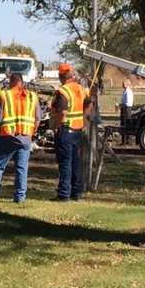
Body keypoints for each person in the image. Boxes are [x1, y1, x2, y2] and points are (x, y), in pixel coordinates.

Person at [0, 72, 40, 203]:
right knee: (22, 168)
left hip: (8, 137)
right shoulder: (32, 97)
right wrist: (31, 133)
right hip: (26, 138)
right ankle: (20, 197)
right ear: (21, 82)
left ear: (11, 82)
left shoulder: (5, 95)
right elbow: (38, 118)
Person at [50, 63, 89, 201]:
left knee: (65, 163)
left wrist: (55, 126)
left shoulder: (63, 91)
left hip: (66, 130)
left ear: (62, 76)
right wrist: (84, 120)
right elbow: (89, 105)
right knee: (76, 163)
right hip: (78, 131)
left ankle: (64, 194)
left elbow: (63, 113)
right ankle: (76, 193)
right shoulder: (81, 89)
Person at [119, 79, 135, 145]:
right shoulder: (125, 91)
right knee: (123, 124)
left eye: (123, 83)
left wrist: (121, 105)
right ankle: (124, 141)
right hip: (124, 109)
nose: (122, 85)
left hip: (126, 109)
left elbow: (128, 102)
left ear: (127, 84)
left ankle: (127, 141)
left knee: (126, 124)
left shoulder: (128, 92)